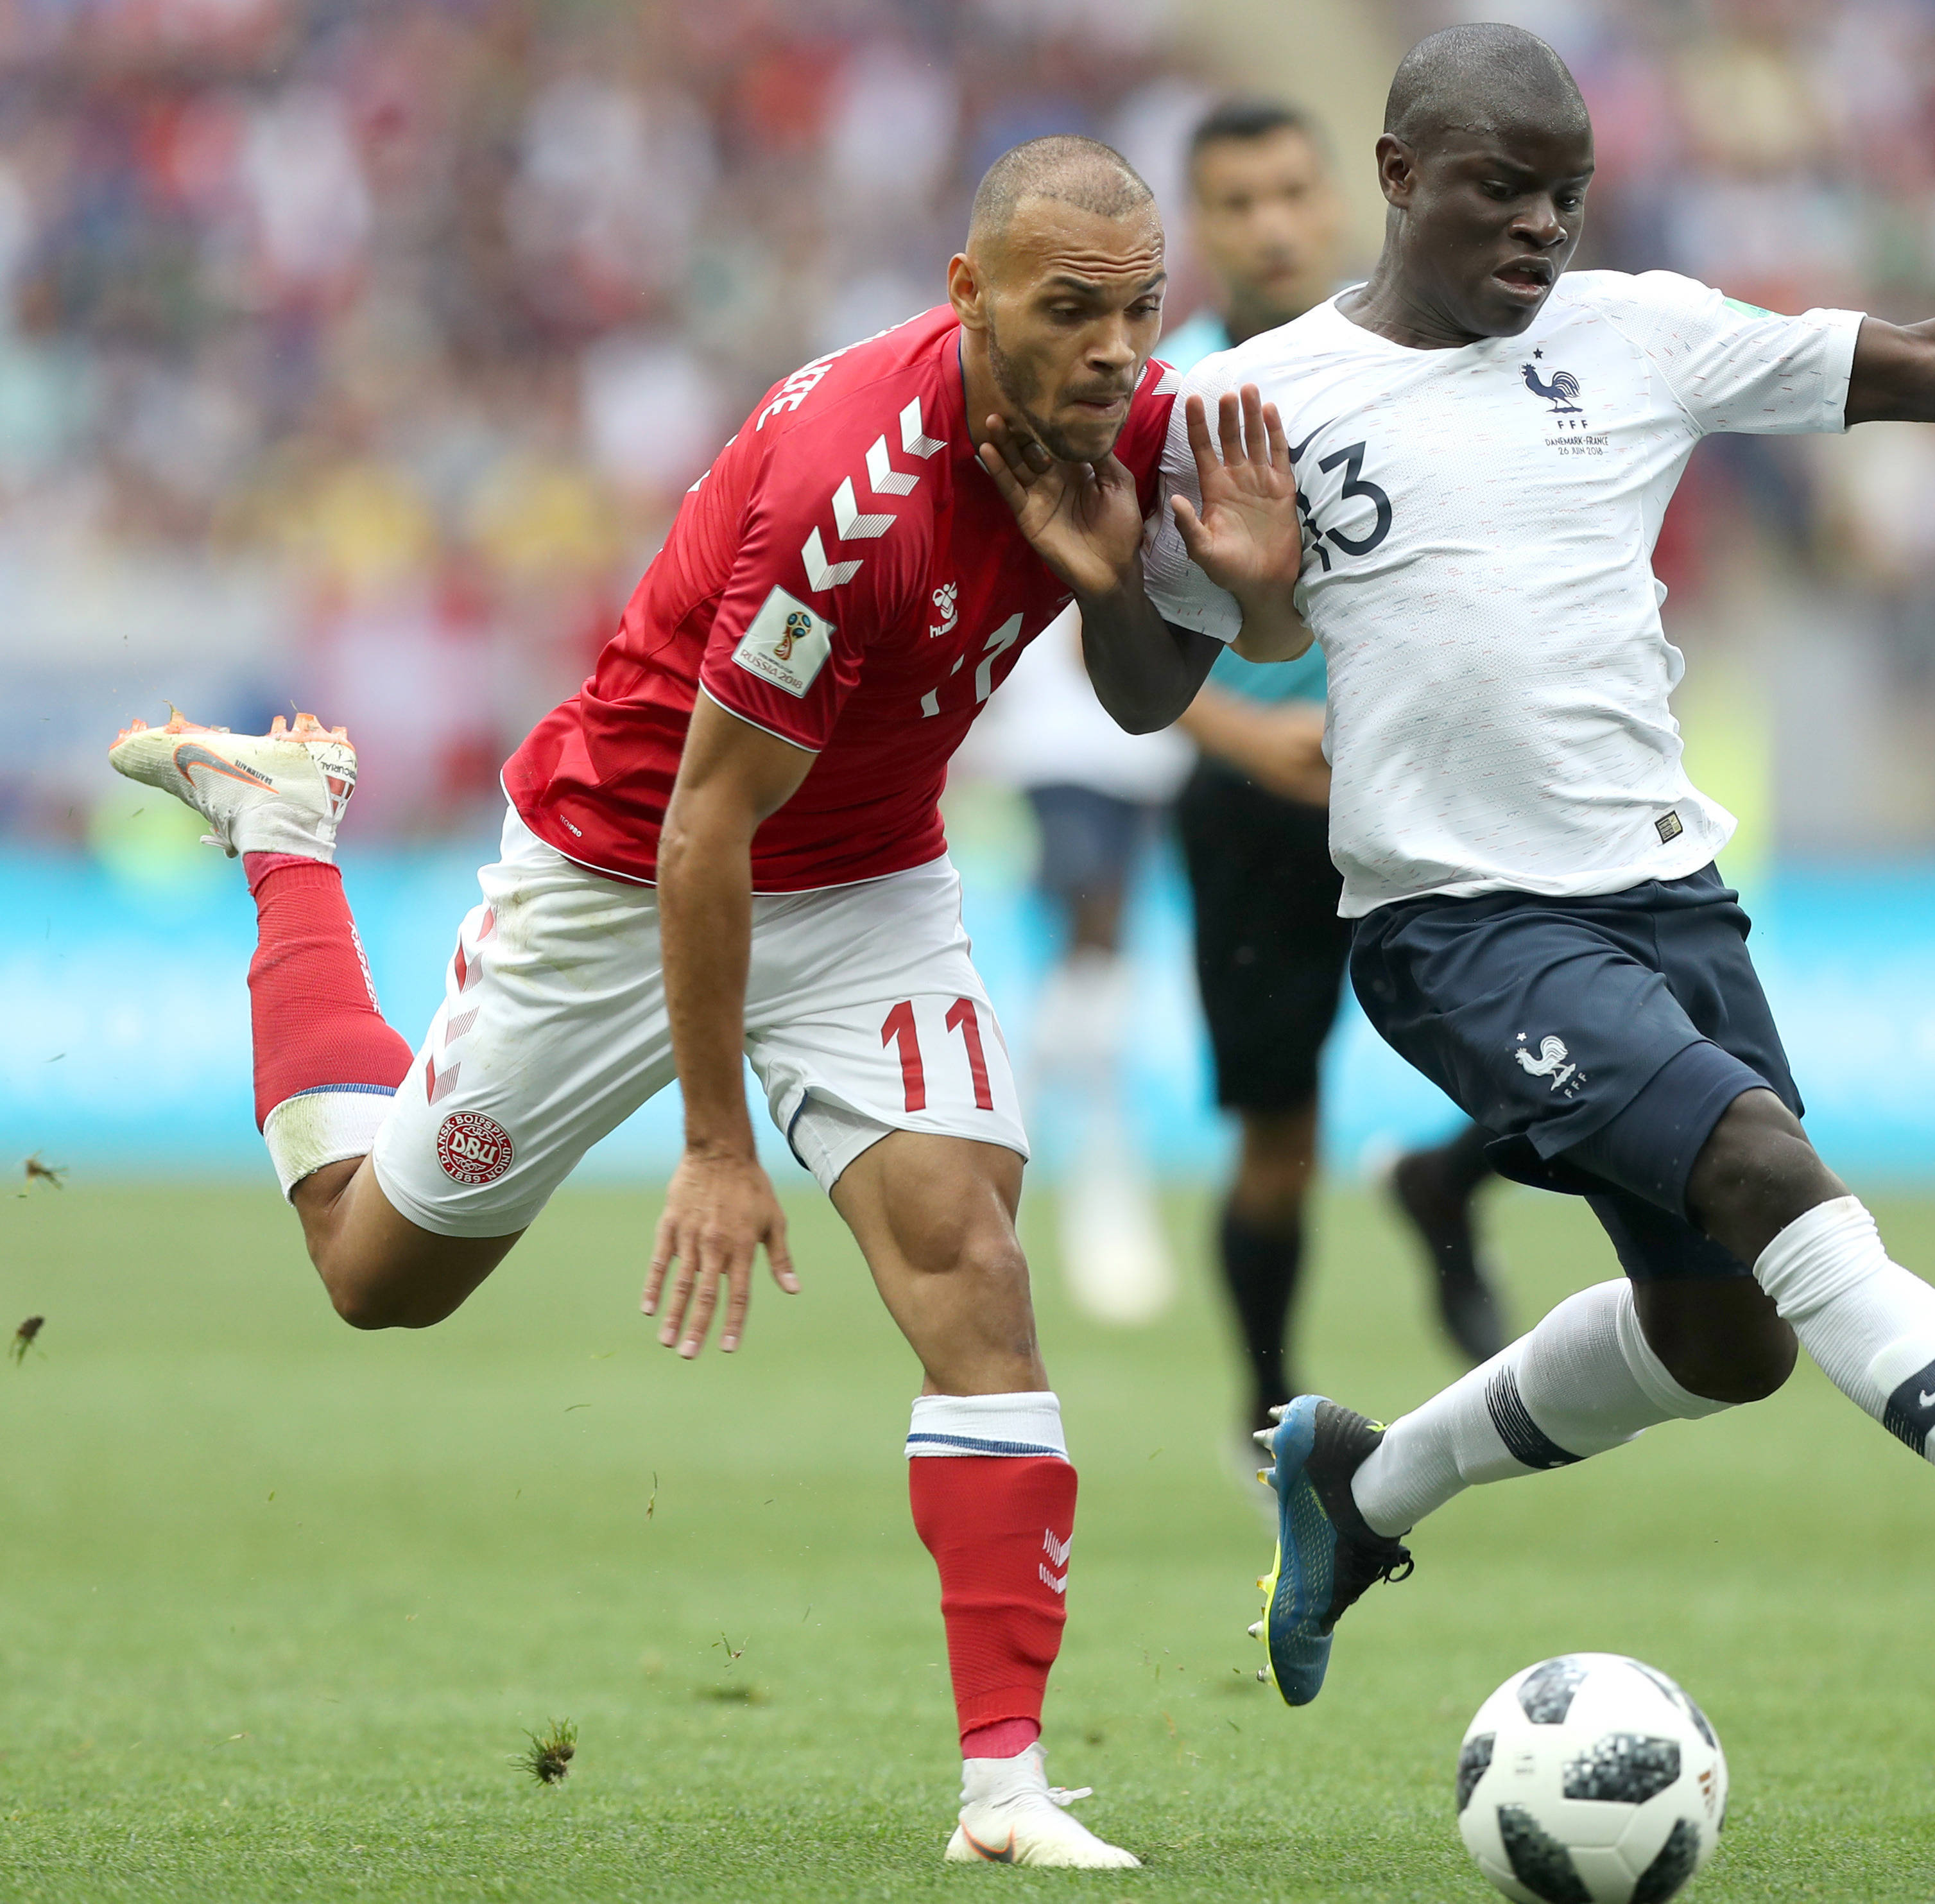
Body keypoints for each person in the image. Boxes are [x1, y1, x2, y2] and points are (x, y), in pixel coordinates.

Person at [1144, 26, 1935, 1706]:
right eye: (1504, 189)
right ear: (1399, 175)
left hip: (1667, 900)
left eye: (1568, 193)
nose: (1542, 226)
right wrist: (1198, 587)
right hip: (1460, 924)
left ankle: (1361, 1491)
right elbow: (1140, 681)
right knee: (1763, 1164)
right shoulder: (1257, 402)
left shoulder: (1640, 330)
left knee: (1729, 1341)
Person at [108, 135, 1301, 1862]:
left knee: (975, 1266)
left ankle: (1005, 1788)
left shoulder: (1134, 422)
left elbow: (1139, 697)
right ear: (968, 295)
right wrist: (720, 1142)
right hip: (626, 867)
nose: (1118, 349)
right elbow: (704, 828)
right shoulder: (848, 494)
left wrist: (1165, 580)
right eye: (1072, 311)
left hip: (871, 878)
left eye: (1140, 308)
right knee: (375, 1274)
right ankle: (287, 839)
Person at [1162, 97, 1510, 1447]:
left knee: (1556, 1058)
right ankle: (1268, 1413)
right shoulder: (1165, 399)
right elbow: (1109, 645)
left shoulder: (1422, 364)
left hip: (1423, 783)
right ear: (1201, 225)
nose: (1271, 224)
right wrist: (1254, 741)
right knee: (1277, 1142)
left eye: (1291, 192)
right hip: (1254, 813)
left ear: (1343, 198)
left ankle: (1446, 1183)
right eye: (1238, 202)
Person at [967, 609, 1191, 1328]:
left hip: (1145, 756)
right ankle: (1062, 1185)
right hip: (1061, 752)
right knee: (1090, 958)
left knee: (1096, 973)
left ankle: (1018, 1167)